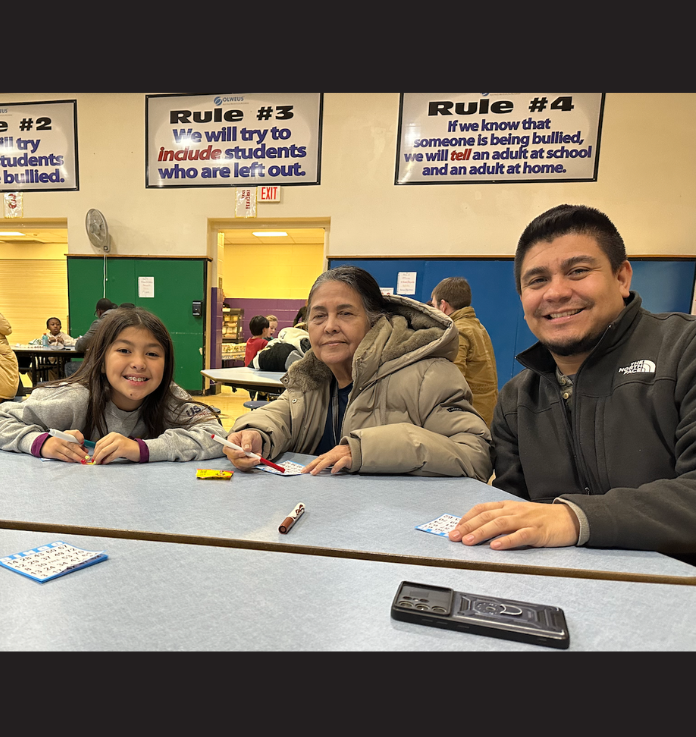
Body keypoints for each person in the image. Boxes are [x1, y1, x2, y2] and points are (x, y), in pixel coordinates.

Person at [448, 204, 696, 559]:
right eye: (537, 280)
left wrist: (576, 518)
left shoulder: (684, 351)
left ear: (622, 278)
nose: (555, 293)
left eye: (578, 271)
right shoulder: (517, 399)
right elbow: (513, 515)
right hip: (563, 587)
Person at [223, 266, 493, 478]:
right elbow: (281, 414)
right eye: (318, 316)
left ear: (375, 321)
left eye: (346, 313)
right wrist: (255, 433)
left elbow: (476, 455)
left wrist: (366, 450)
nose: (329, 326)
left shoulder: (428, 376)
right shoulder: (313, 377)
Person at [0, 307, 227, 465]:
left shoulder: (169, 396)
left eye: (152, 354)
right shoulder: (75, 399)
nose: (139, 363)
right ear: (101, 361)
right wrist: (42, 442)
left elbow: (216, 437)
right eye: (124, 351)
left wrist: (142, 449)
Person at [430, 277, 498, 427]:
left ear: (443, 306)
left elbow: (452, 383)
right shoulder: (477, 326)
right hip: (486, 412)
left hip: (469, 417)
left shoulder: (458, 331)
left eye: (434, 305)